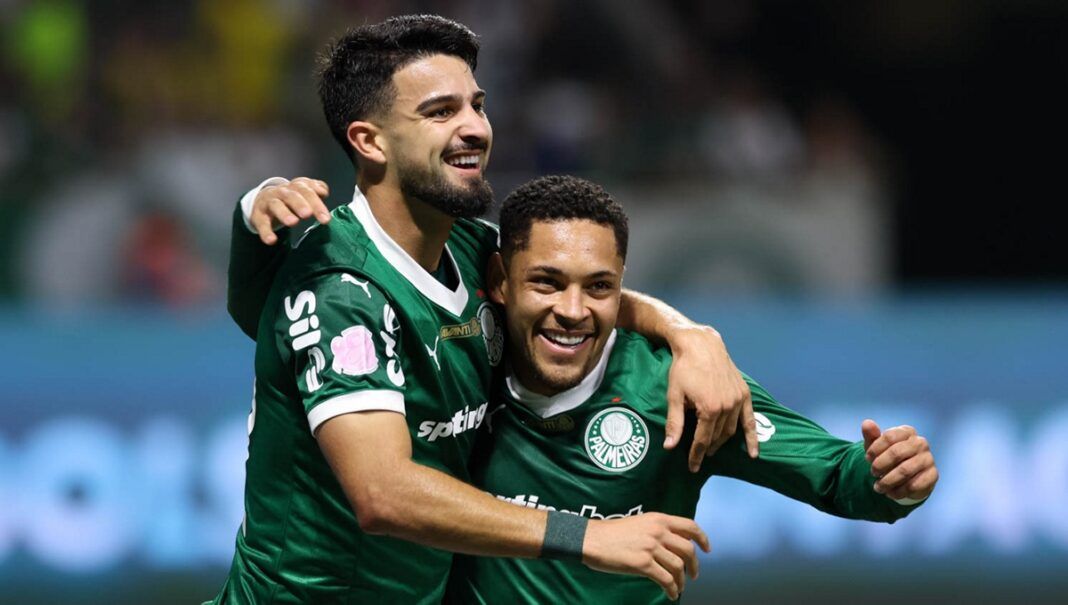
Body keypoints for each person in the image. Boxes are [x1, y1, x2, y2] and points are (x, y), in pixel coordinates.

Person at [211, 15, 755, 604]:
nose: (476, 128)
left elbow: (578, 291)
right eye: (441, 113)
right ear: (369, 142)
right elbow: (383, 494)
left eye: (477, 105)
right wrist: (587, 537)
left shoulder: (470, 247)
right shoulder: (341, 289)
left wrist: (690, 335)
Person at [443, 175, 939, 603]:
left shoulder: (674, 390)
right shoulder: (456, 360)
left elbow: (834, 474)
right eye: (547, 283)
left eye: (598, 287)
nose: (574, 311)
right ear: (500, 282)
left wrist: (887, 480)